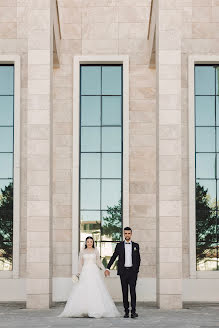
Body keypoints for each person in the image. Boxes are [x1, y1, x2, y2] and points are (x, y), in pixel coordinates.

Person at [59, 236, 120, 318]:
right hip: (85, 272)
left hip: (94, 272)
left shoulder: (96, 251)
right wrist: (78, 273)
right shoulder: (82, 251)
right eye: (88, 242)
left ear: (93, 242)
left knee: (95, 289)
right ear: (86, 243)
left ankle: (96, 309)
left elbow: (98, 262)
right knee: (84, 289)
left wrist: (105, 269)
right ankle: (84, 309)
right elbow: (80, 264)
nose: (89, 243)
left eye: (91, 242)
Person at [105, 227, 141, 319]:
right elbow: (113, 257)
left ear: (131, 234)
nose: (127, 235)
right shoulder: (119, 245)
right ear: (124, 234)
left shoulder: (136, 245)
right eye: (126, 233)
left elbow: (138, 259)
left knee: (133, 292)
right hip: (123, 272)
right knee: (124, 292)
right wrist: (108, 267)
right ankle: (126, 311)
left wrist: (136, 270)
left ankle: (133, 312)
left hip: (132, 273)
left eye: (129, 233)